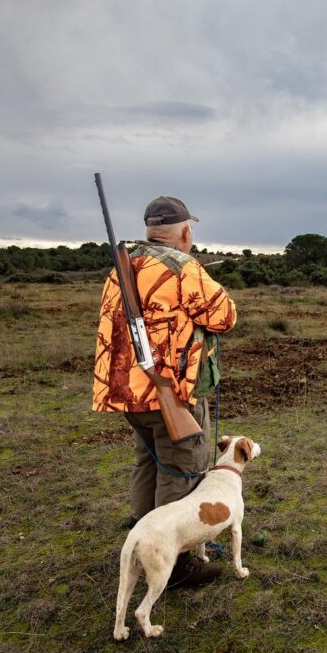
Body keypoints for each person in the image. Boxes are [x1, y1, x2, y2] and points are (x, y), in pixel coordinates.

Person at [93, 195, 237, 588]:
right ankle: (175, 562)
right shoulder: (183, 267)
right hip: (171, 393)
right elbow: (225, 316)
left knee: (149, 461)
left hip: (127, 394)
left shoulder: (121, 268)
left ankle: (141, 536)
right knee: (181, 468)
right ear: (186, 232)